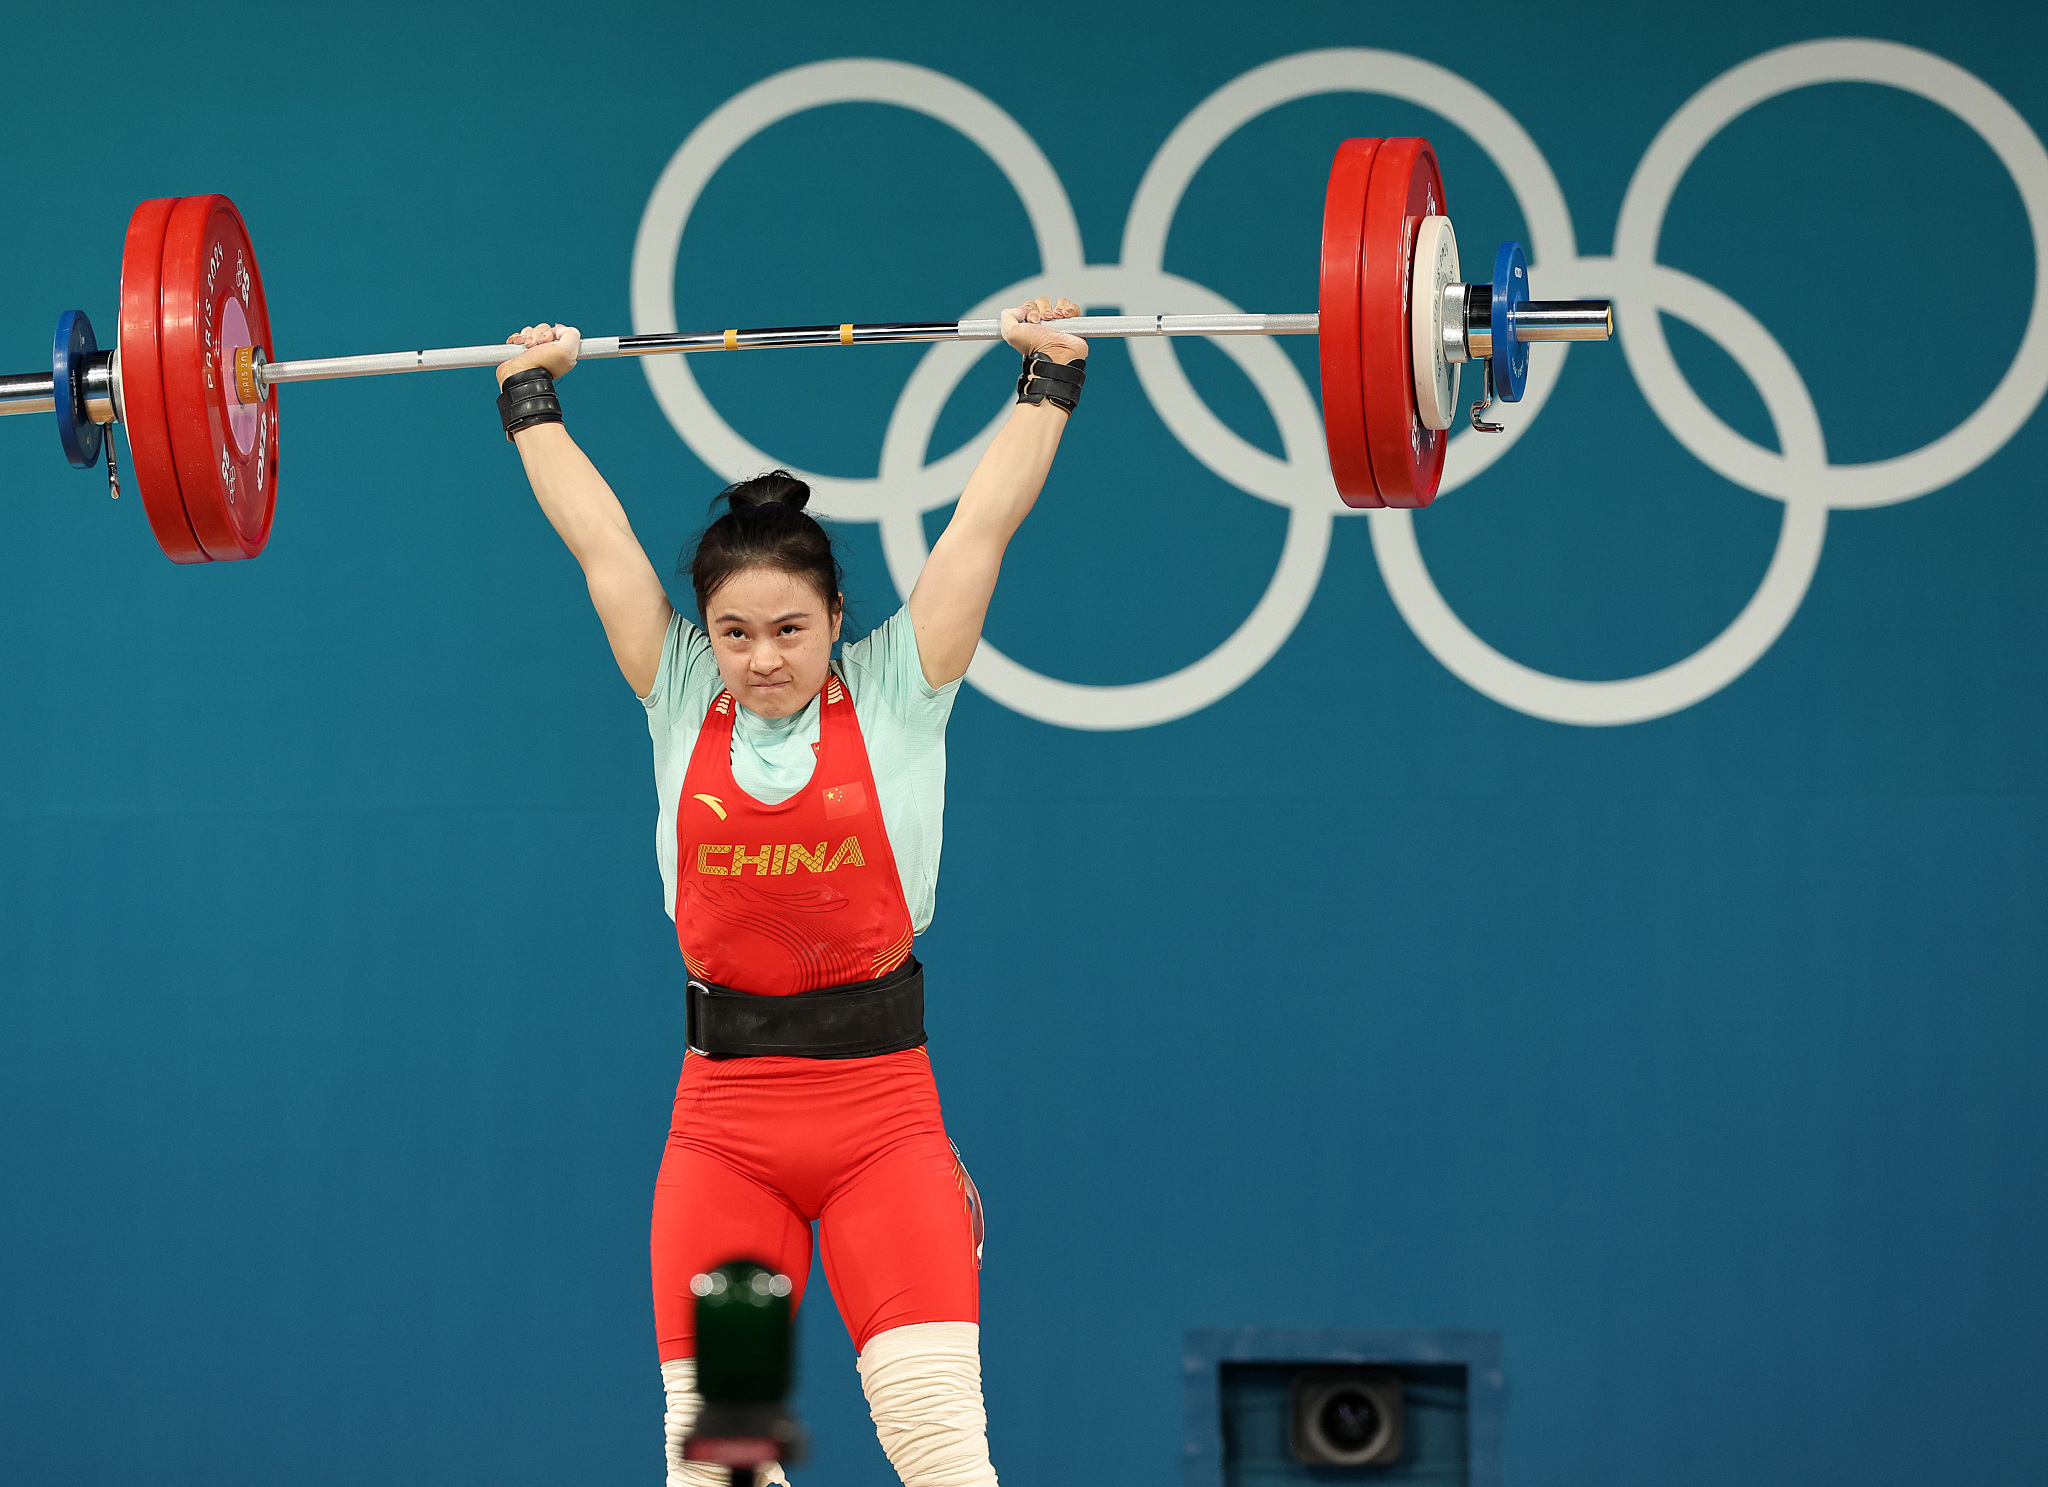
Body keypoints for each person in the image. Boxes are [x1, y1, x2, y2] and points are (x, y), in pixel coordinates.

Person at [492, 297, 1089, 1487]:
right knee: (719, 1464)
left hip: (883, 1127)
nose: (762, 657)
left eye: (789, 628)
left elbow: (980, 528)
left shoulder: (900, 684)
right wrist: (531, 398)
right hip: (724, 1135)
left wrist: (1047, 384)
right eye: (734, 631)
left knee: (941, 1455)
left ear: (833, 621)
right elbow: (600, 542)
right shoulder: (675, 688)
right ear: (703, 631)